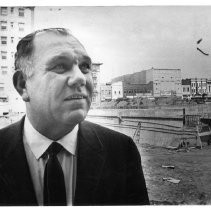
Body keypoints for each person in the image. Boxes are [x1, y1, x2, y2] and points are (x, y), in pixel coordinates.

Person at [0, 28, 149, 206]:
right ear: (23, 85)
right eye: (60, 66)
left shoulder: (121, 151)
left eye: (85, 67)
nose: (80, 78)